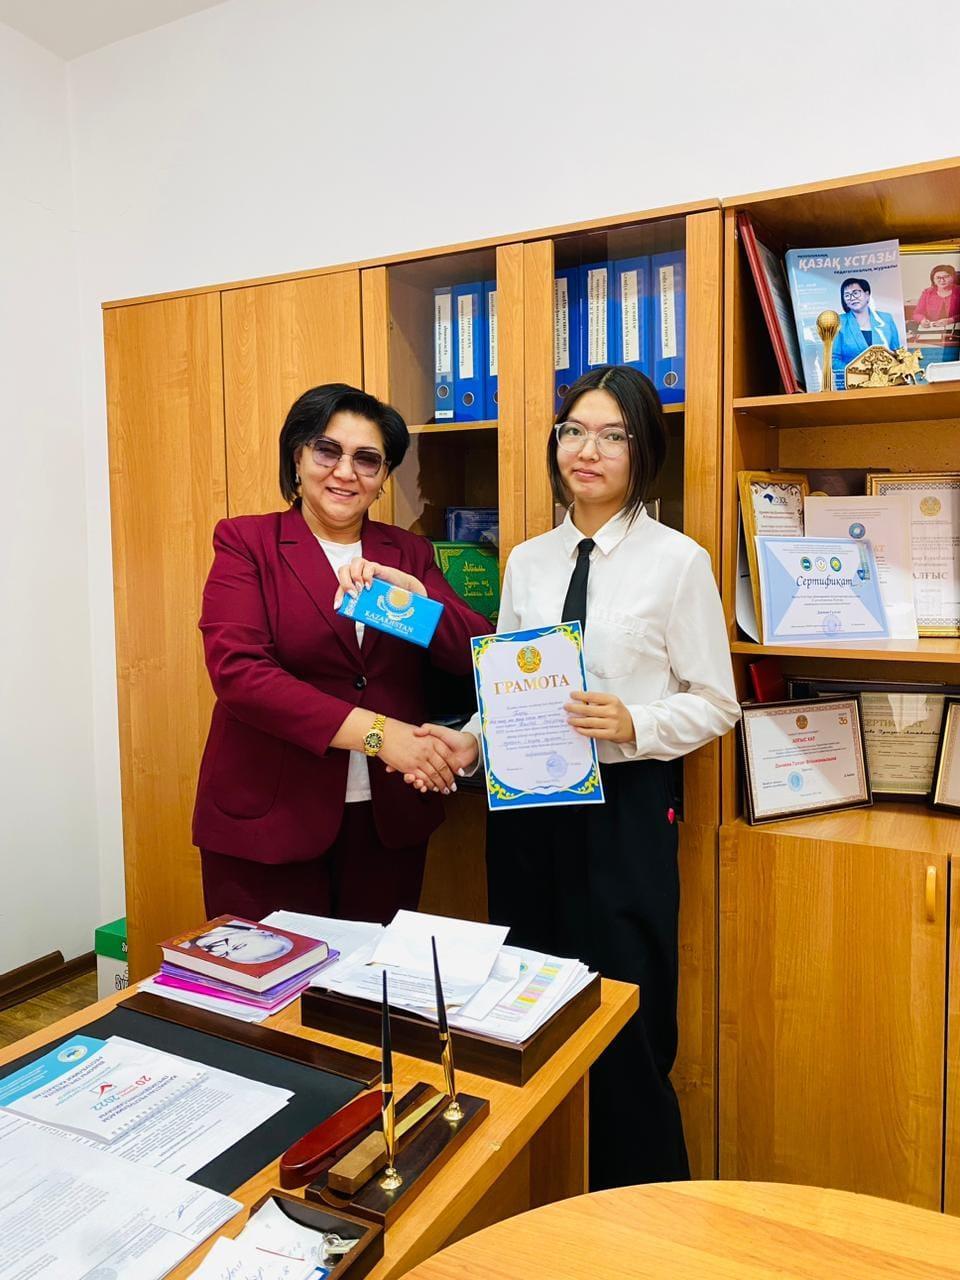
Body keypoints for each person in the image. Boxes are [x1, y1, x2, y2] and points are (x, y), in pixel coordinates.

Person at [407, 365, 739, 1189]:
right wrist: (470, 743)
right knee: (527, 1004)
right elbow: (508, 687)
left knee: (626, 1020)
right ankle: (547, 1194)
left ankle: (642, 1206)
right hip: (526, 809)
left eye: (611, 435)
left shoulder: (678, 562)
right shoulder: (528, 561)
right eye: (573, 432)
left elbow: (717, 703)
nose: (587, 451)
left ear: (643, 450)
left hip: (625, 809)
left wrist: (636, 723)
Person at [192, 383, 490, 925]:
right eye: (327, 451)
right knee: (272, 977)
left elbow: (480, 657)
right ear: (297, 456)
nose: (345, 472)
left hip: (387, 822)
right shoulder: (247, 542)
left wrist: (421, 602)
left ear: (383, 476)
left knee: (369, 977)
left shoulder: (409, 552)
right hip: (270, 820)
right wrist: (380, 734)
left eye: (367, 459)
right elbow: (240, 675)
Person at [832, 276, 902, 380]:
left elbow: (897, 353)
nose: (852, 298)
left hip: (886, 381)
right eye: (847, 295)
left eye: (856, 293)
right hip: (853, 383)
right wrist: (859, 372)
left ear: (867, 294)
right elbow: (833, 360)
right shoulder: (838, 322)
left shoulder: (886, 319)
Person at [908, 263, 960, 330]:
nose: (942, 280)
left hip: (955, 329)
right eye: (938, 278)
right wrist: (922, 320)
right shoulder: (927, 293)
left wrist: (951, 320)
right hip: (933, 328)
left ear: (953, 277)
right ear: (933, 280)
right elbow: (917, 314)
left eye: (946, 277)